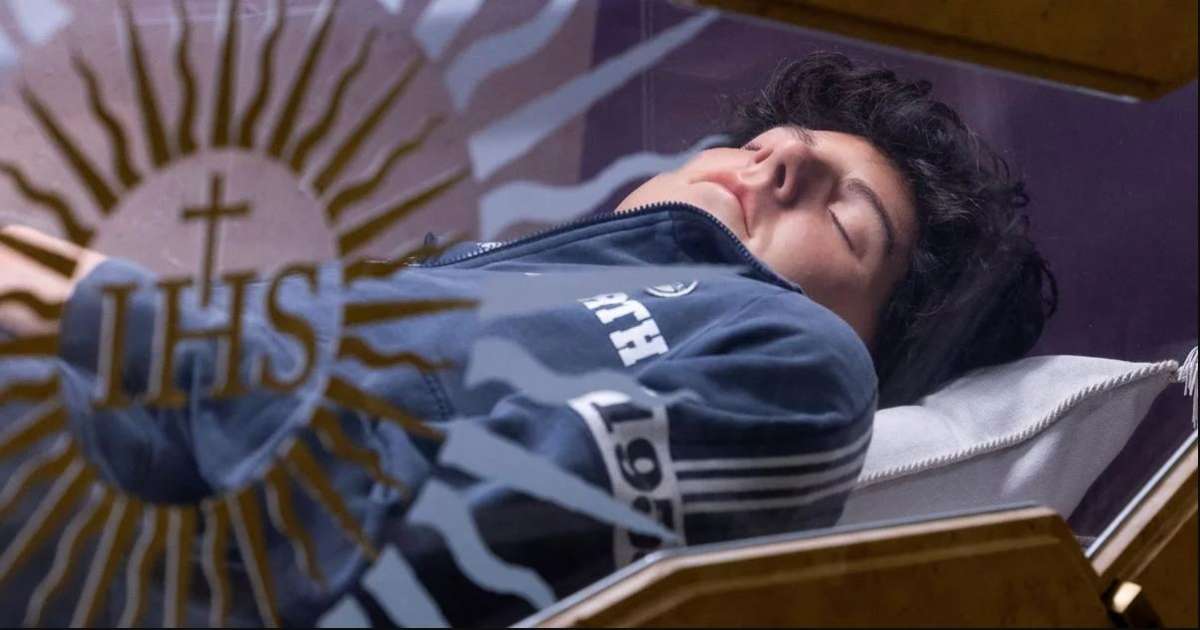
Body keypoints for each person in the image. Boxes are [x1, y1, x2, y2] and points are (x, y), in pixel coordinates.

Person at [0, 52, 1055, 626]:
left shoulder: (799, 360)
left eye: (846, 220)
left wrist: (102, 312)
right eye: (767, 143)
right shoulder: (457, 276)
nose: (776, 162)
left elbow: (411, 549)